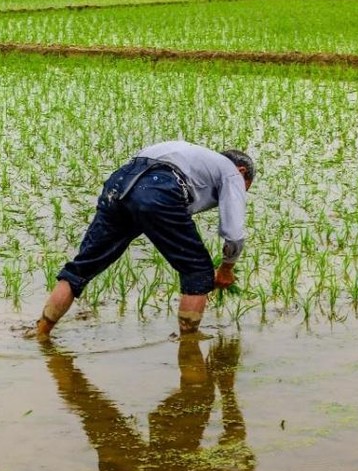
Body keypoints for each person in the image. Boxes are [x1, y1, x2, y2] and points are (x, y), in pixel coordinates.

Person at [29, 141, 254, 339]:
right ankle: (190, 349)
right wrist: (226, 269)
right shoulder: (231, 172)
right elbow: (233, 233)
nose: (242, 193)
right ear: (242, 171)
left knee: (81, 268)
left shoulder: (192, 155)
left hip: (120, 184)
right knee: (197, 270)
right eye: (246, 188)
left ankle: (42, 331)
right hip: (160, 187)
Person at [41, 336, 254, 471]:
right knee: (91, 410)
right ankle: (52, 355)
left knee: (92, 409)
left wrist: (226, 389)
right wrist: (226, 389)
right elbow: (234, 434)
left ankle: (49, 351)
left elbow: (235, 434)